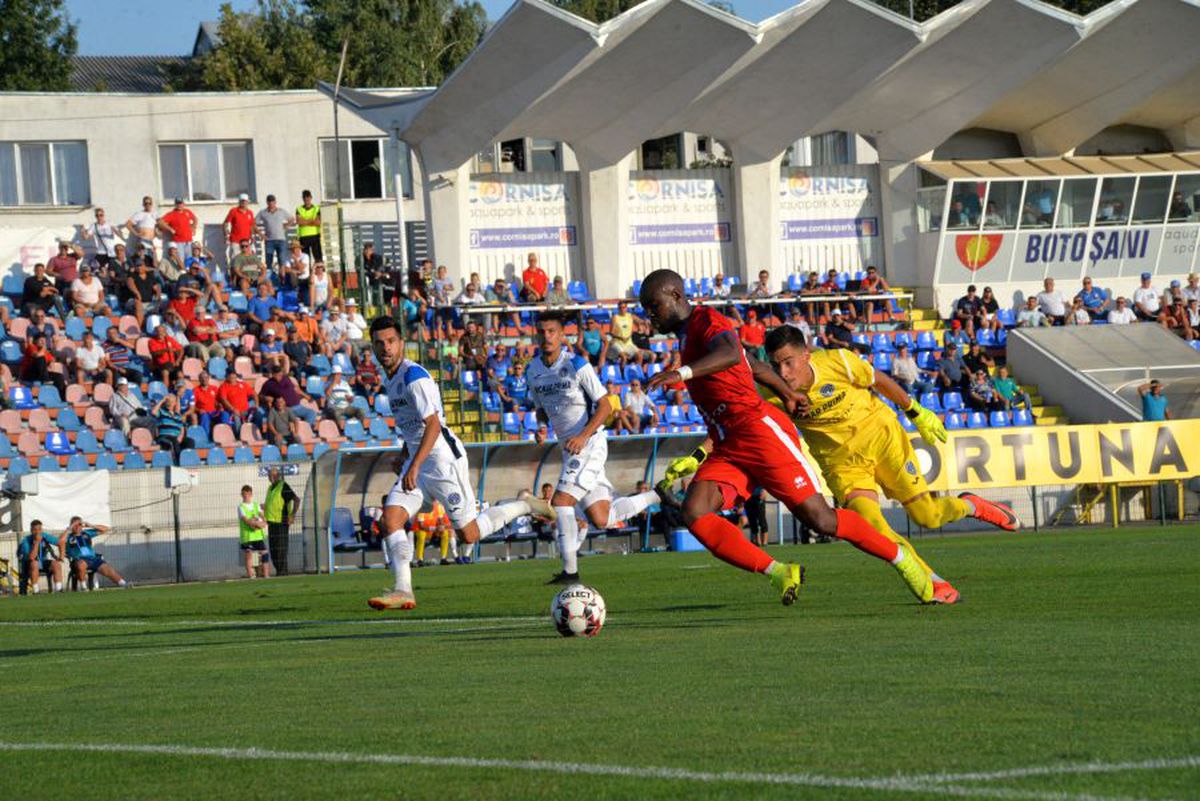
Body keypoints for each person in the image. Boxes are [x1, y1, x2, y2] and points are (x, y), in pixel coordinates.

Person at [639, 268, 860, 606]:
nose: (650, 315)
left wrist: (679, 372)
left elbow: (730, 353)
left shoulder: (705, 321)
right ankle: (780, 571)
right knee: (694, 511)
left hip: (759, 431)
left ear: (676, 296)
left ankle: (898, 555)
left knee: (821, 519)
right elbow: (748, 363)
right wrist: (786, 392)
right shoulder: (686, 335)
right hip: (733, 443)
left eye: (653, 306)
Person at [759, 326, 1019, 602]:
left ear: (807, 356)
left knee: (927, 516)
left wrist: (915, 411)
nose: (784, 373)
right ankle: (933, 583)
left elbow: (878, 379)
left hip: (883, 440)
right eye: (777, 366)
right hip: (843, 466)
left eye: (789, 363)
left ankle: (971, 505)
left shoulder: (838, 361)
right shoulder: (770, 394)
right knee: (873, 527)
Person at [365, 316, 555, 610]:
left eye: (391, 341)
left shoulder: (414, 377)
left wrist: (414, 465)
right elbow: (413, 427)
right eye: (379, 343)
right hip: (417, 460)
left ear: (401, 343)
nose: (386, 348)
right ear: (374, 347)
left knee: (468, 533)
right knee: (391, 520)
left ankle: (526, 504)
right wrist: (406, 456)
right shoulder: (391, 380)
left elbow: (432, 425)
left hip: (442, 462)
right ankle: (403, 590)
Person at [525, 311, 661, 583]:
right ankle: (658, 495)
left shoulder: (576, 364)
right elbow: (541, 410)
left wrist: (584, 436)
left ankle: (570, 572)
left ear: (562, 336)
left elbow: (606, 404)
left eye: (552, 331)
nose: (546, 336)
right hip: (570, 448)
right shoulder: (533, 370)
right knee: (601, 517)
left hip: (589, 443)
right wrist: (541, 428)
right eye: (542, 332)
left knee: (562, 501)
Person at [64, 518, 129, 590]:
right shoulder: (68, 537)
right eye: (75, 525)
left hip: (93, 559)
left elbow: (106, 529)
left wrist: (91, 525)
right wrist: (69, 529)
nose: (77, 527)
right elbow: (60, 541)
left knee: (107, 569)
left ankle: (123, 584)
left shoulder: (87, 533)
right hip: (79, 559)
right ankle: (84, 587)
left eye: (79, 525)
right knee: (81, 564)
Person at [261, 466, 299, 575]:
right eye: (269, 475)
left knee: (281, 550)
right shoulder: (270, 488)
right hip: (271, 523)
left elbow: (296, 499)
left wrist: (292, 515)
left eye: (272, 475)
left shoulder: (283, 486)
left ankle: (282, 573)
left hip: (281, 523)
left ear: (276, 476)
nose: (270, 478)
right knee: (273, 551)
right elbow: (274, 504)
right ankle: (279, 571)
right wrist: (265, 507)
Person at [17, 520, 65, 595]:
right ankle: (36, 591)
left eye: (39, 529)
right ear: (31, 531)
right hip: (28, 564)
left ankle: (59, 589)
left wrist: (61, 557)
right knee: (34, 563)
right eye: (35, 530)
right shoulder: (25, 540)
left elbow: (61, 543)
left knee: (56, 564)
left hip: (42, 561)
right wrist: (36, 542)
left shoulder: (45, 536)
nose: (37, 532)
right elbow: (31, 557)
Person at [237, 485, 271, 579]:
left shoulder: (256, 505)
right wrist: (255, 524)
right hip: (247, 536)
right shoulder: (241, 507)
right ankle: (251, 576)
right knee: (249, 555)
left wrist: (263, 521)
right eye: (244, 494)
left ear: (251, 494)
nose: (246, 496)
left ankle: (266, 575)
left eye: (248, 494)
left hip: (257, 536)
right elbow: (246, 520)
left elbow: (261, 515)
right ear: (241, 495)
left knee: (265, 553)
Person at [412, 501, 458, 567]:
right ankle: (420, 559)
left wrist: (441, 527)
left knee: (445, 533)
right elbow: (421, 525)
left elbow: (440, 520)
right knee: (421, 536)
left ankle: (443, 558)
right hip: (421, 529)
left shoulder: (438, 507)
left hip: (433, 530)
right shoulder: (422, 508)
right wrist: (434, 528)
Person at [255, 194, 292, 274]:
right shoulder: (263, 213)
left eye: (273, 202)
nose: (271, 204)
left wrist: (286, 226)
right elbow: (253, 223)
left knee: (282, 260)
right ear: (267, 203)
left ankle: (282, 279)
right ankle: (270, 279)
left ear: (275, 202)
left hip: (281, 239)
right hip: (269, 240)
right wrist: (261, 235)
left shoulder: (281, 211)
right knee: (269, 260)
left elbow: (291, 219)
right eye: (269, 202)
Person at [152, 393, 191, 461]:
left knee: (190, 441)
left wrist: (180, 437)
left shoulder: (177, 416)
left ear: (174, 403)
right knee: (173, 442)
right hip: (164, 436)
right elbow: (153, 412)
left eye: (172, 401)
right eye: (168, 401)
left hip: (176, 437)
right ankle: (177, 463)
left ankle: (188, 461)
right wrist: (162, 400)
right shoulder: (162, 412)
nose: (169, 403)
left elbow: (182, 428)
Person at [223, 194, 255, 263]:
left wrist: (252, 236)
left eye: (245, 201)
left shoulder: (250, 213)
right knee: (235, 260)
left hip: (247, 241)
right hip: (235, 240)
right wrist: (226, 236)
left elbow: (251, 226)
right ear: (239, 201)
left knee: (247, 260)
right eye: (242, 201)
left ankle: (245, 274)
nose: (244, 203)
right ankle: (234, 273)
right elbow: (226, 223)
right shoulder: (233, 211)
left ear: (247, 202)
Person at [125, 195, 159, 260]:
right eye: (146, 203)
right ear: (143, 204)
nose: (148, 205)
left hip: (151, 243)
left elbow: (157, 227)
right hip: (143, 244)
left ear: (152, 204)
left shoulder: (155, 214)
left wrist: (157, 234)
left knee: (152, 263)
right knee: (143, 262)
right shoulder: (139, 214)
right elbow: (128, 224)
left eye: (149, 203)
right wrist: (136, 234)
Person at [295, 189, 322, 261]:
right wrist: (311, 220)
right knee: (305, 259)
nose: (306, 199)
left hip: (315, 236)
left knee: (318, 258)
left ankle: (320, 272)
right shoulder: (299, 209)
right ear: (302, 198)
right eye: (304, 197)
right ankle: (308, 272)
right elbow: (299, 222)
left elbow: (318, 222)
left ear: (311, 197)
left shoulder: (316, 208)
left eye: (308, 197)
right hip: (303, 237)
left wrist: (305, 221)